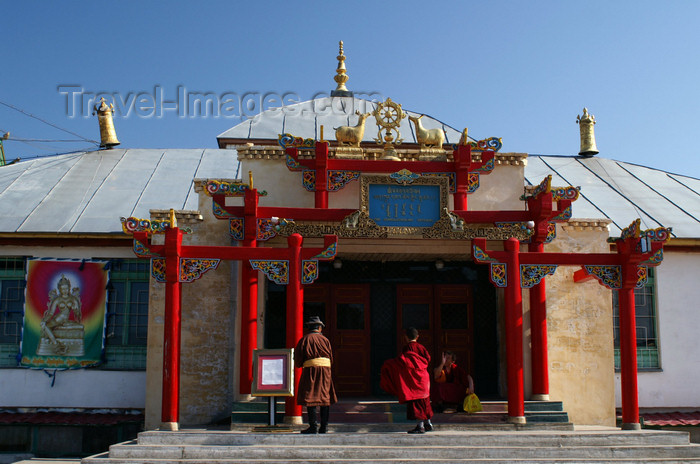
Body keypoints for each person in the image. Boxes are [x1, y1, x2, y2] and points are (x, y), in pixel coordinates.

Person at [380, 327, 434, 434]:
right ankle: (428, 423)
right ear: (417, 337)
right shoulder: (421, 347)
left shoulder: (407, 348)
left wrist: (389, 365)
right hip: (423, 377)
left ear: (405, 337)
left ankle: (420, 426)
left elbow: (403, 362)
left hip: (414, 379)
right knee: (425, 401)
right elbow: (427, 359)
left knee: (417, 401)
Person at [294, 315, 337, 434]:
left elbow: (298, 361)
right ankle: (324, 427)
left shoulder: (304, 340)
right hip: (325, 371)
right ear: (319, 328)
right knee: (324, 397)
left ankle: (313, 426)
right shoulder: (325, 340)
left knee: (310, 396)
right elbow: (331, 359)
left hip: (310, 371)